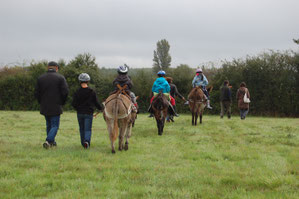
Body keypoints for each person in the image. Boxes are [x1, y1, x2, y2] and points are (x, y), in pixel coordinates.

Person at [35, 61, 69, 149]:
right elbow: (65, 92)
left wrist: (41, 102)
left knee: (49, 125)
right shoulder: (60, 78)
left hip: (44, 105)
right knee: (55, 126)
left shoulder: (40, 78)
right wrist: (62, 102)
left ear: (48, 67)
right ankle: (48, 140)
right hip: (56, 105)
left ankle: (52, 143)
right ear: (56, 68)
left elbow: (37, 93)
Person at [72, 73, 102, 149]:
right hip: (89, 113)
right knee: (88, 129)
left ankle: (83, 143)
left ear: (80, 81)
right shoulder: (92, 91)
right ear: (88, 81)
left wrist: (78, 109)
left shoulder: (77, 92)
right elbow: (96, 102)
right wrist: (101, 108)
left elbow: (73, 103)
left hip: (80, 113)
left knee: (81, 129)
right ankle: (87, 141)